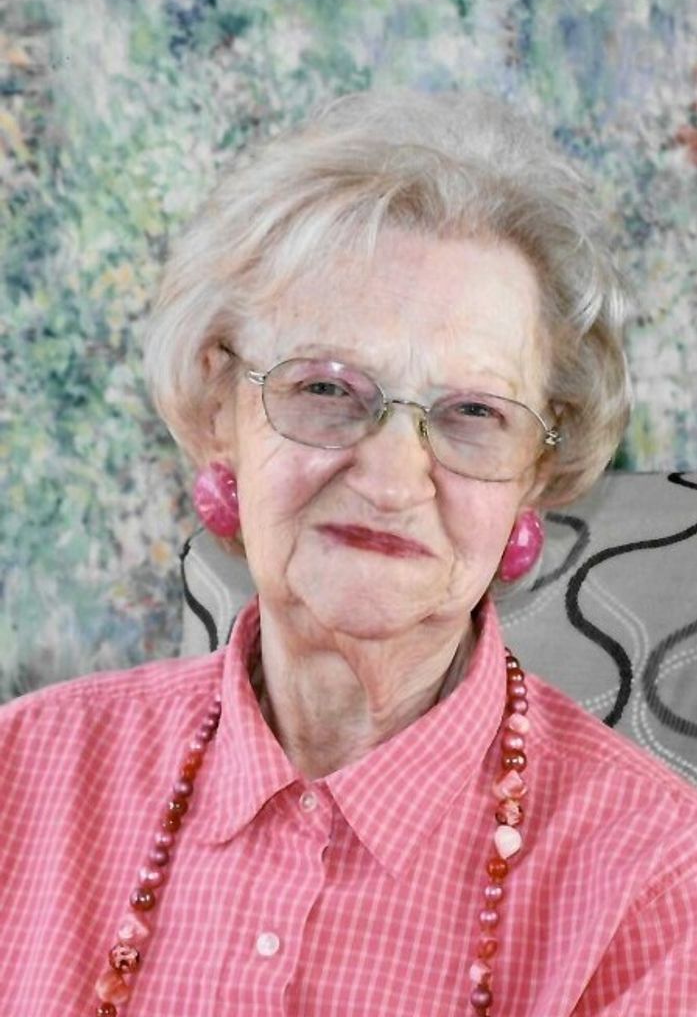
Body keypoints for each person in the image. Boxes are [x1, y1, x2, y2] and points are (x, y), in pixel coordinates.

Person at [1, 89, 696, 1017]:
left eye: (473, 413)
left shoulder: (656, 884)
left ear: (535, 471)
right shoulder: (22, 776)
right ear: (220, 410)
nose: (391, 477)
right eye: (327, 389)